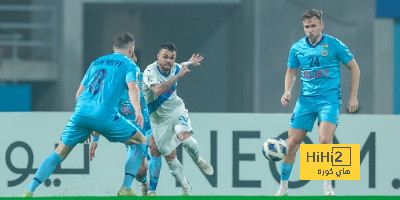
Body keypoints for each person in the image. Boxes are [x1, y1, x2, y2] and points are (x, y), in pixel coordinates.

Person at [21, 32, 146, 197]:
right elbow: (133, 87)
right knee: (139, 141)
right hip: (104, 115)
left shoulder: (97, 62)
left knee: (59, 152)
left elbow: (78, 94)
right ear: (132, 49)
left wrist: (88, 126)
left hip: (80, 113)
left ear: (113, 48)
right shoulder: (129, 64)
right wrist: (137, 110)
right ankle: (126, 188)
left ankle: (29, 190)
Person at [275, 9, 360, 196]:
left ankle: (327, 185)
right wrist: (287, 91)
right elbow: (291, 71)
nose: (310, 30)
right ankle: (283, 187)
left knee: (324, 140)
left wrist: (353, 96)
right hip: (305, 101)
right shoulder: (297, 48)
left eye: (313, 26)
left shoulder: (334, 44)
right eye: (307, 27)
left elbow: (354, 67)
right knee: (292, 143)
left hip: (329, 99)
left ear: (322, 25)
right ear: (303, 27)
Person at [142, 42, 214, 195]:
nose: (168, 60)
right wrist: (178, 76)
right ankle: (185, 185)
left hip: (176, 110)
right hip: (158, 120)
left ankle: (199, 159)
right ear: (158, 57)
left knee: (184, 137)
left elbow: (181, 65)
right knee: (169, 155)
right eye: (165, 57)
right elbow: (158, 90)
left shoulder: (175, 67)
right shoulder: (150, 71)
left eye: (172, 58)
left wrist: (191, 62)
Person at [89, 52, 158, 196]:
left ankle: (153, 189)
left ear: (134, 59)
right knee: (141, 171)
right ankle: (144, 182)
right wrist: (95, 139)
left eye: (129, 59)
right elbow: (104, 112)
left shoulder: (146, 78)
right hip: (132, 131)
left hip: (148, 126)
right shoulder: (113, 85)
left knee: (154, 143)